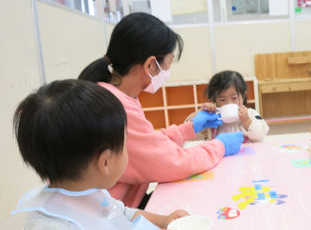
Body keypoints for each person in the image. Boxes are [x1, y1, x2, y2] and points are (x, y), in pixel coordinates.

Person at [9, 79, 189, 230]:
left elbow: (118, 214)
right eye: (125, 143)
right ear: (105, 162)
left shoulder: (85, 189)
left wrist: (164, 221)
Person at [79, 12, 243, 208]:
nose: (167, 72)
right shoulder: (113, 106)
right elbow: (172, 162)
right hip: (109, 217)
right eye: (167, 64)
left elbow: (147, 143)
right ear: (150, 64)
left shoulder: (116, 93)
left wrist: (189, 128)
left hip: (115, 207)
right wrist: (220, 146)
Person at [190, 70, 269, 142]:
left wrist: (246, 120)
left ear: (243, 96)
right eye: (223, 100)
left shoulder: (251, 114)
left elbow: (260, 135)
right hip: (220, 155)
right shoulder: (212, 117)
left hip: (246, 155)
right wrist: (201, 113)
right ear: (214, 100)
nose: (229, 103)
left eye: (234, 98)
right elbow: (188, 131)